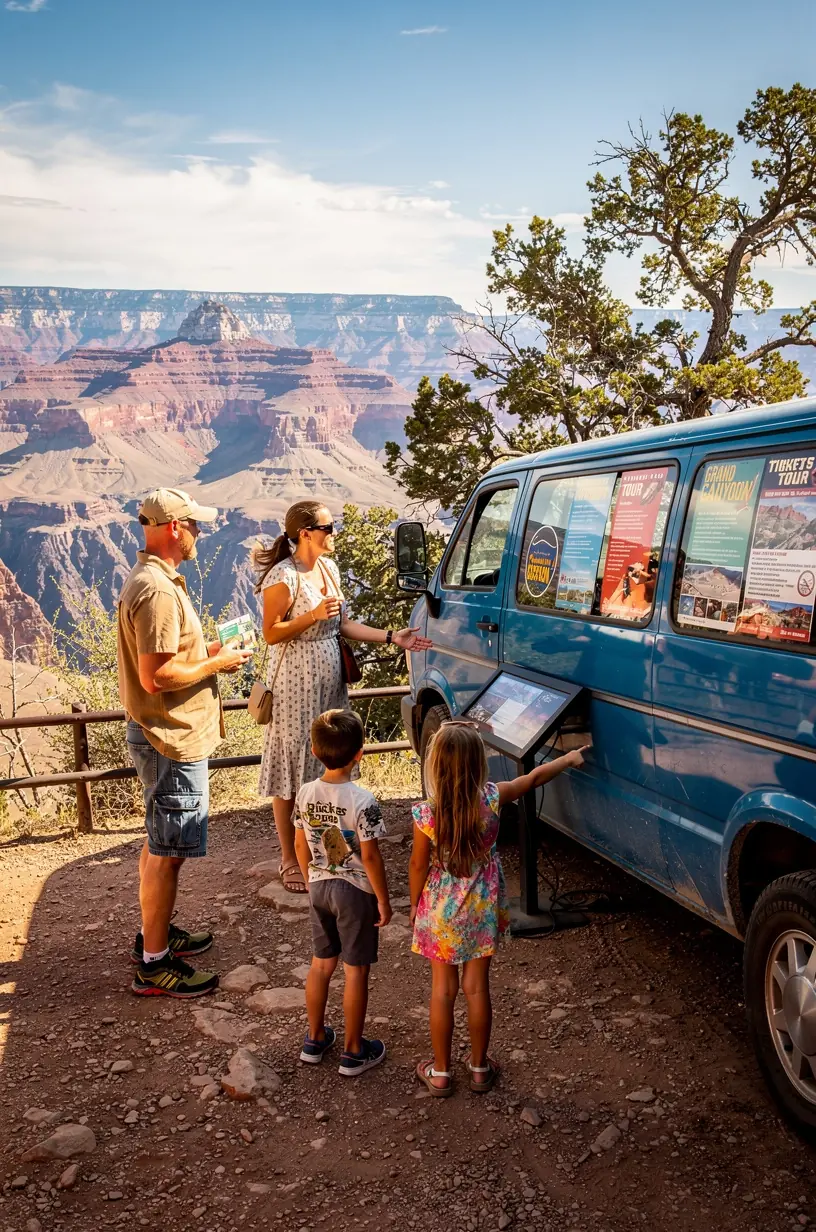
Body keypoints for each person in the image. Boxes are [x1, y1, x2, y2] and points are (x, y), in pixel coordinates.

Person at [255, 500, 432, 894]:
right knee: (293, 771)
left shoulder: (329, 569)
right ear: (305, 533)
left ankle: (331, 853)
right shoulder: (284, 577)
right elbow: (270, 632)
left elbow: (345, 625)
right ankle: (290, 858)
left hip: (329, 684)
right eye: (327, 527)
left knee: (329, 766)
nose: (334, 533)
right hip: (294, 687)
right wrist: (311, 617)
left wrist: (391, 636)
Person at [118, 487, 253, 998]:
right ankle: (154, 964)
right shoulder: (156, 590)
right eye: (194, 524)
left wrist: (211, 649)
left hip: (163, 733)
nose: (199, 532)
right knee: (168, 851)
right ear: (174, 527)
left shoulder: (156, 580)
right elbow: (159, 674)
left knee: (160, 843)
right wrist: (217, 664)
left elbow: (173, 656)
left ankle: (155, 936)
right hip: (169, 737)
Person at [408, 720, 587, 1096]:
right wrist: (568, 759)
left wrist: (414, 906)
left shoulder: (426, 815)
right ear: (478, 764)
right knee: (477, 989)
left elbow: (417, 866)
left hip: (440, 912)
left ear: (435, 766)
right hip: (481, 909)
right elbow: (534, 778)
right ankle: (478, 1068)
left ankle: (440, 1072)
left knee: (443, 990)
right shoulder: (491, 798)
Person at [293, 709, 392, 1075]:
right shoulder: (363, 801)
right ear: (359, 753)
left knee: (321, 966)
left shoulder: (305, 793)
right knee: (355, 971)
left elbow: (300, 843)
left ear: (315, 751)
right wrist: (382, 898)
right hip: (354, 892)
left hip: (319, 886)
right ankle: (353, 1050)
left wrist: (310, 879)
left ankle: (315, 1038)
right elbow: (370, 855)